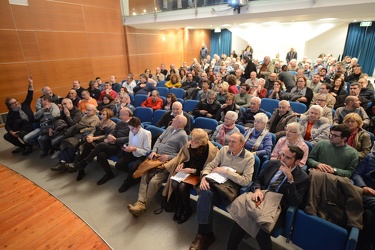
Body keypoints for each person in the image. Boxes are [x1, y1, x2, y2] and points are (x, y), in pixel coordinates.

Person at [227, 145, 309, 250]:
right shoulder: (273, 163)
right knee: (241, 221)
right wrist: (257, 190)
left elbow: (295, 202)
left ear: (297, 162)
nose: (282, 159)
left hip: (277, 207)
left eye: (288, 158)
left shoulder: (302, 177)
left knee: (260, 226)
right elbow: (258, 180)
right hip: (261, 198)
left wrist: (290, 179)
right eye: (283, 154)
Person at [189, 132, 254, 250]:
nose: (230, 144)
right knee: (205, 192)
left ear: (242, 144)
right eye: (229, 141)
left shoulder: (249, 157)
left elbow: (246, 181)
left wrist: (227, 172)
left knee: (204, 194)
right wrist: (204, 177)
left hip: (228, 189)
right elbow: (210, 165)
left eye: (234, 142)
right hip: (215, 183)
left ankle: (204, 236)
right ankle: (203, 235)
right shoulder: (224, 150)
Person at [127, 115, 188, 217]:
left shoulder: (183, 135)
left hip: (166, 163)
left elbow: (183, 154)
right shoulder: (169, 128)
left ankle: (142, 205)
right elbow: (159, 139)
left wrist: (169, 157)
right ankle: (140, 203)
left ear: (180, 123)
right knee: (144, 174)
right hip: (155, 157)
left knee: (154, 181)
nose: (172, 119)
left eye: (175, 119)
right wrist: (154, 151)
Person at [62, 108, 133, 185]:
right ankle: (109, 174)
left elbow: (130, 138)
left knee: (101, 145)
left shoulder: (133, 124)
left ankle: (81, 164)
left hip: (119, 147)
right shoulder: (120, 123)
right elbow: (113, 131)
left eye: (121, 115)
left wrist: (115, 140)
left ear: (127, 115)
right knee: (98, 153)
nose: (119, 116)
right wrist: (110, 136)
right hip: (111, 144)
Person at [163, 129, 219, 224]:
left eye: (194, 141)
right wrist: (182, 165)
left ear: (201, 143)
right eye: (191, 139)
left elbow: (208, 169)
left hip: (200, 175)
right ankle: (180, 206)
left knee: (182, 186)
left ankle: (187, 209)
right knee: (175, 183)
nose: (190, 142)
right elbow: (185, 159)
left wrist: (193, 170)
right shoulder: (189, 145)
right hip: (187, 172)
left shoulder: (211, 151)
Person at [73, 108, 116, 181]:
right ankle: (81, 168)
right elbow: (94, 130)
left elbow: (107, 137)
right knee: (86, 144)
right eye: (101, 114)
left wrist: (94, 138)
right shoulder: (100, 122)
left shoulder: (112, 124)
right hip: (95, 141)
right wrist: (90, 135)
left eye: (104, 114)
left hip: (103, 143)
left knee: (89, 147)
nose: (101, 116)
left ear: (109, 115)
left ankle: (81, 168)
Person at [116, 117, 152, 192]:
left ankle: (128, 182)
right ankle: (134, 176)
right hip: (131, 152)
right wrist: (126, 147)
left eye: (132, 129)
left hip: (141, 155)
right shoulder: (131, 131)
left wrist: (135, 149)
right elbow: (130, 143)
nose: (131, 131)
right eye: (130, 129)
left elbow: (147, 151)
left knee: (133, 168)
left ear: (139, 127)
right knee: (118, 165)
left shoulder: (146, 134)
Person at [4, 76, 35, 155]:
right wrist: (11, 132)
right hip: (22, 129)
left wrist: (30, 83)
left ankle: (29, 147)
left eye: (16, 101)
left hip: (31, 125)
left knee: (21, 134)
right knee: (7, 136)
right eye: (13, 103)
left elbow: (30, 94)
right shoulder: (11, 113)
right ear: (10, 106)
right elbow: (7, 125)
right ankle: (22, 146)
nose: (16, 103)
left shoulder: (25, 104)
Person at [352, 148, 375, 250]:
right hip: (365, 192)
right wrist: (363, 187)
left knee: (370, 215)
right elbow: (357, 174)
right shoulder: (370, 157)